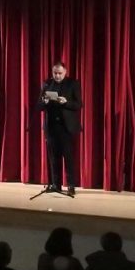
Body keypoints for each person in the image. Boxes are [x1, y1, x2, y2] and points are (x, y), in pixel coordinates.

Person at [35, 61, 83, 196]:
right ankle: (56, 184)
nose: (57, 76)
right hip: (51, 127)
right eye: (55, 73)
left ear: (65, 72)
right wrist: (44, 102)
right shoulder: (47, 84)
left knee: (68, 157)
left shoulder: (73, 84)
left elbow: (79, 104)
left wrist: (66, 102)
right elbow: (38, 106)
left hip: (66, 127)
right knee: (53, 158)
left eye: (60, 73)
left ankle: (71, 186)